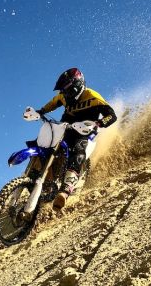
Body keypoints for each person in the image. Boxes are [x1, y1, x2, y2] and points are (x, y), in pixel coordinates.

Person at [37, 67, 117, 209]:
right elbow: (52, 103)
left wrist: (98, 123)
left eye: (67, 89)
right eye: (63, 90)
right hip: (66, 128)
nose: (65, 93)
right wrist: (41, 111)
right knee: (45, 145)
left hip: (85, 131)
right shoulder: (62, 96)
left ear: (77, 85)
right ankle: (43, 181)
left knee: (78, 150)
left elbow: (112, 115)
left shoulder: (93, 96)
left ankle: (66, 189)